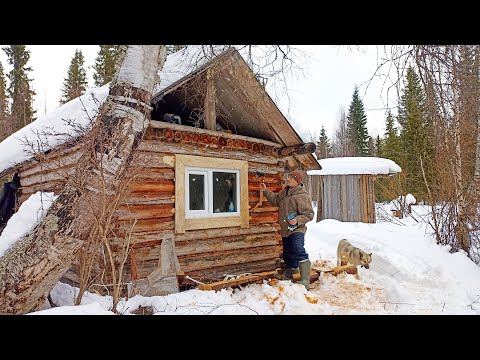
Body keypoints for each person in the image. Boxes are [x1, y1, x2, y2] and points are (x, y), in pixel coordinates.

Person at [260, 170, 314, 290]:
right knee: (288, 254)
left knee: (298, 249)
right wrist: (265, 190)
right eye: (288, 176)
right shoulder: (285, 192)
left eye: (290, 177)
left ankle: (305, 280)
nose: (287, 179)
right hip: (285, 229)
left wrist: (297, 220)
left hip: (297, 229)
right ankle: (292, 272)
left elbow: (309, 214)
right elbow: (275, 200)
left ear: (297, 181)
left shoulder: (302, 196)